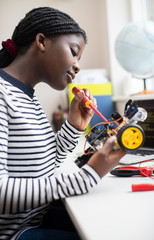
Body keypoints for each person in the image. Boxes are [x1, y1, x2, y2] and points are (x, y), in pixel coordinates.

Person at [0, 7, 126, 240]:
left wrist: (73, 127)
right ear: (41, 41)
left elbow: (44, 166)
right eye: (73, 52)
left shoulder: (28, 97)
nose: (77, 66)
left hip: (34, 220)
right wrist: (88, 176)